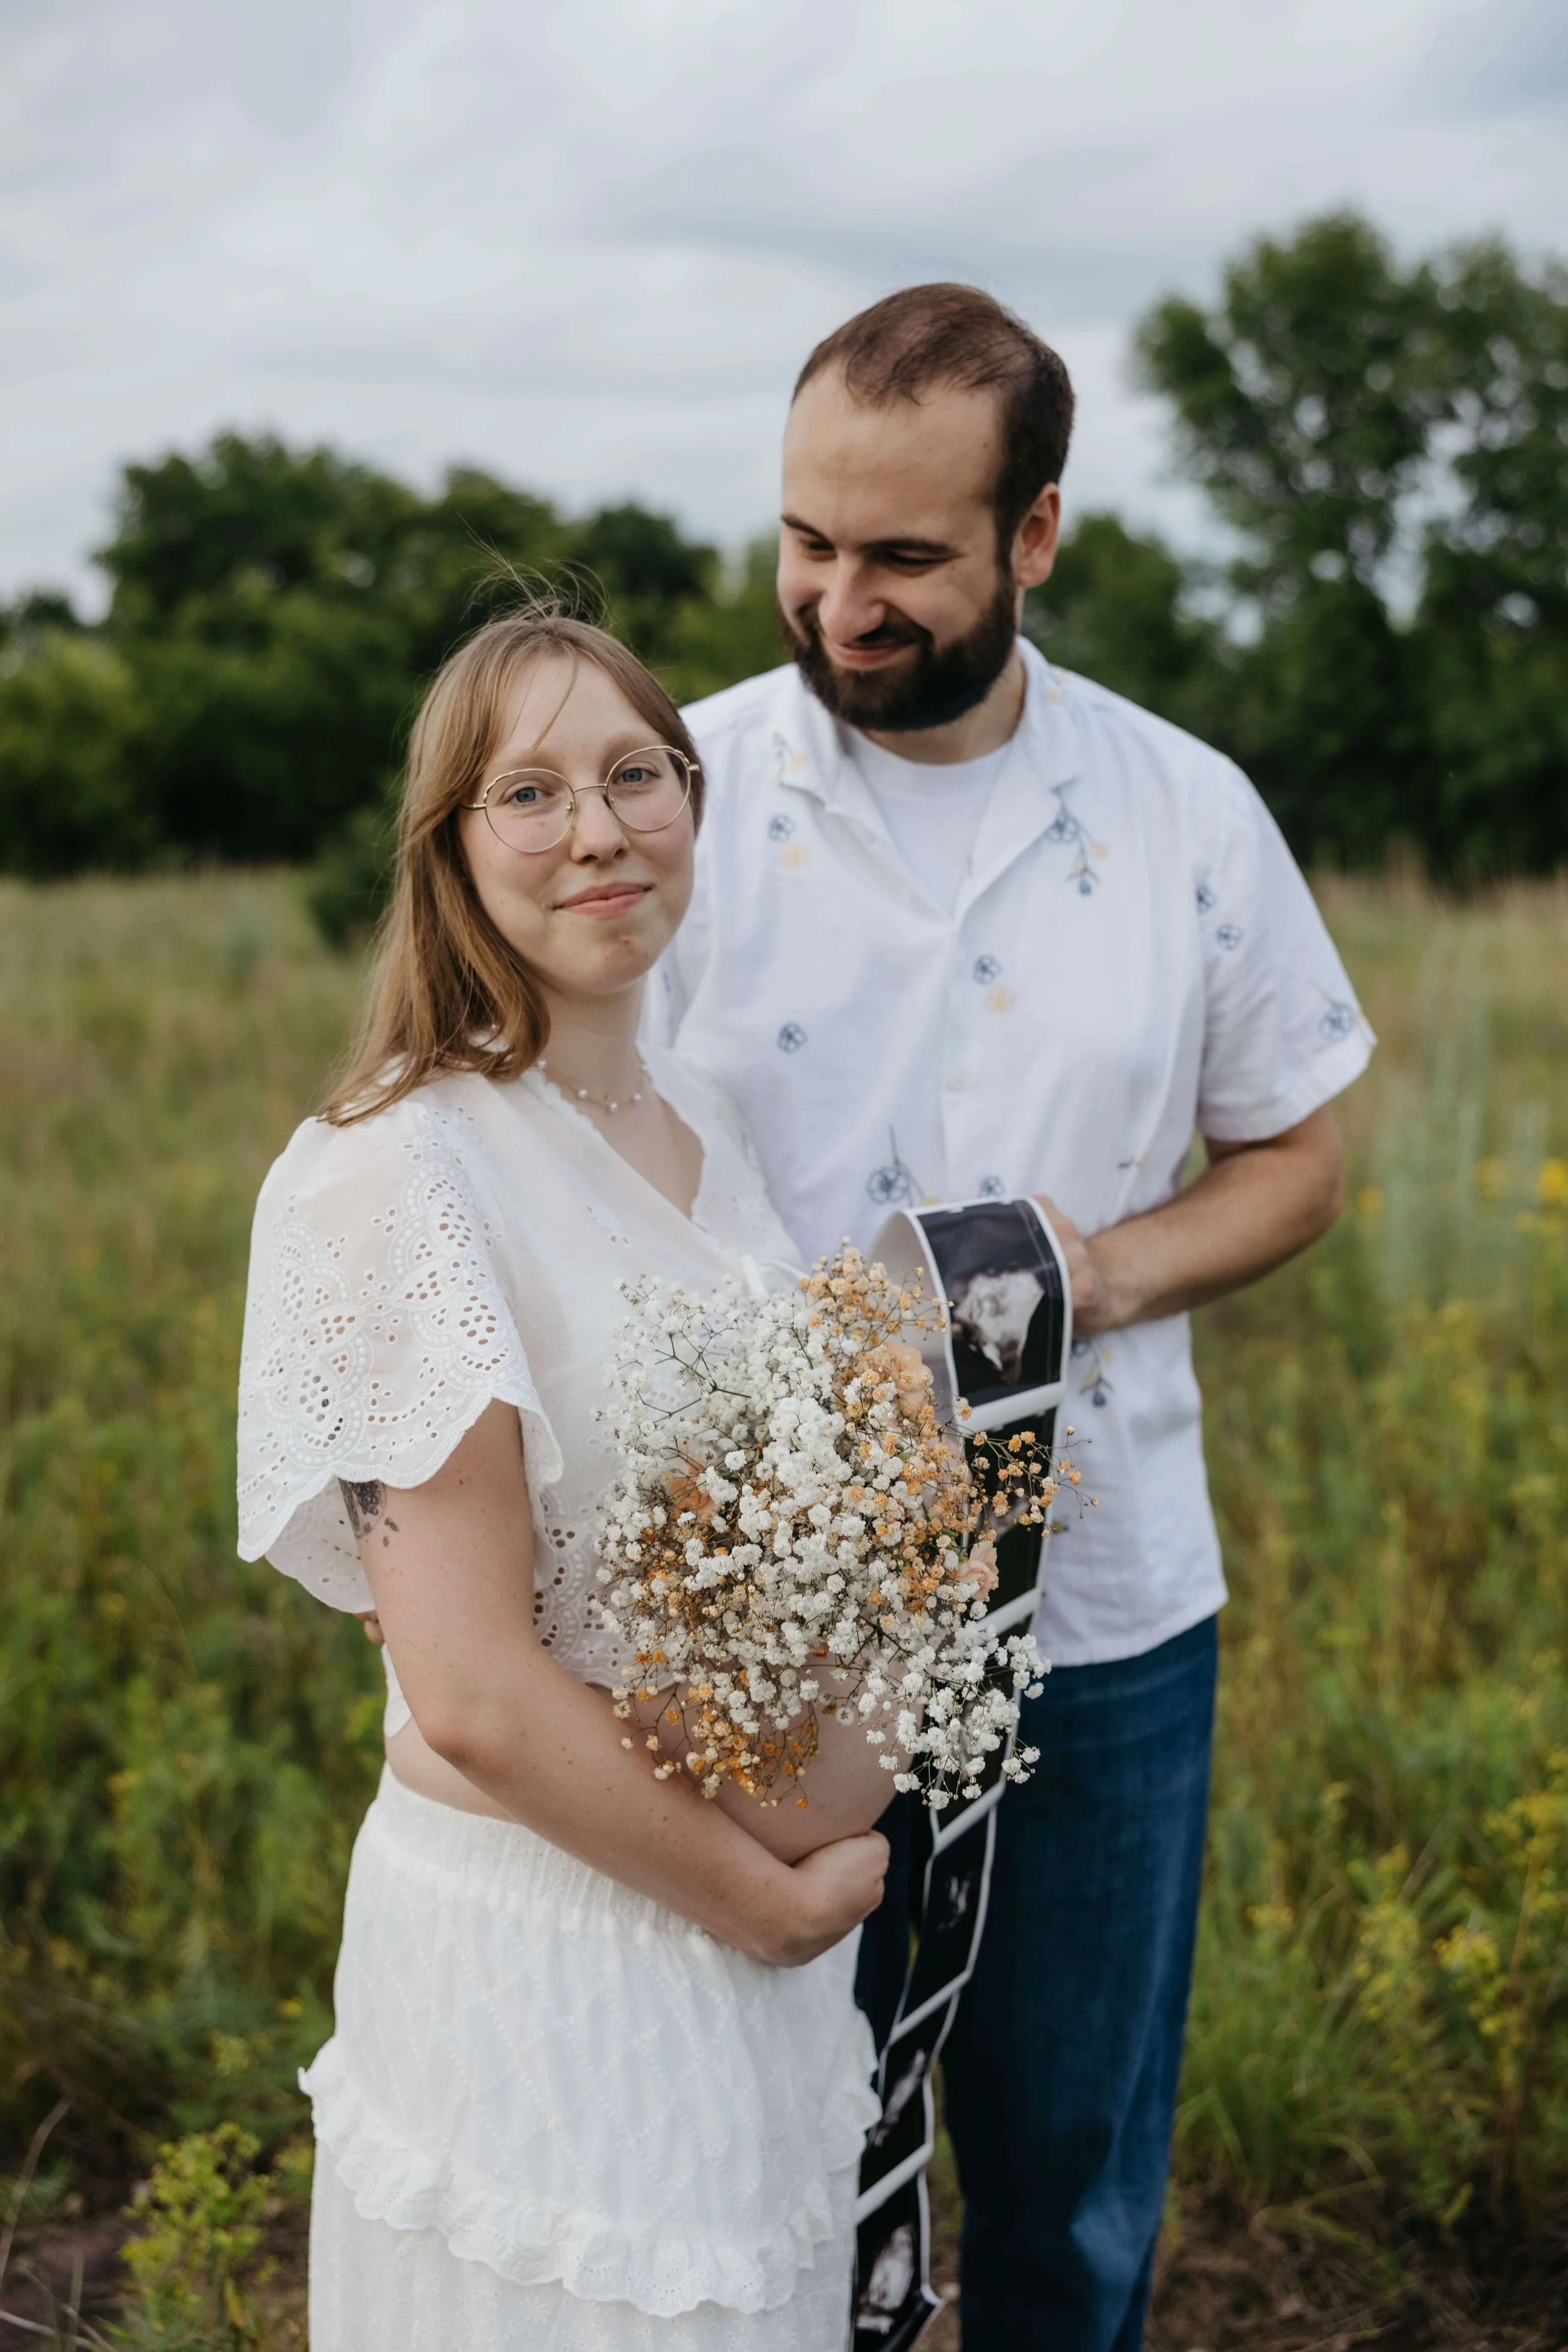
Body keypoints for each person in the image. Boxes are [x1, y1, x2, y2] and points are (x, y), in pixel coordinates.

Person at [650, 283, 1374, 2349]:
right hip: (759, 1630)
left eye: (900, 558)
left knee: (1067, 2201)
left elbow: (1297, 1159)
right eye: (805, 541)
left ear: (1033, 536)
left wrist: (1068, 1285)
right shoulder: (672, 791)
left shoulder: (1183, 811)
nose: (837, 601)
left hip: (1107, 1622)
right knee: (771, 2178)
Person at [235, 605, 893, 2351]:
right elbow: (466, 1689)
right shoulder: (397, 1172)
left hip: (753, 2001)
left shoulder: (705, 1128)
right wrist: (769, 1897)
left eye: (634, 774)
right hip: (548, 1968)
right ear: (450, 849)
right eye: (527, 792)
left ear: (692, 799)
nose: (596, 830)